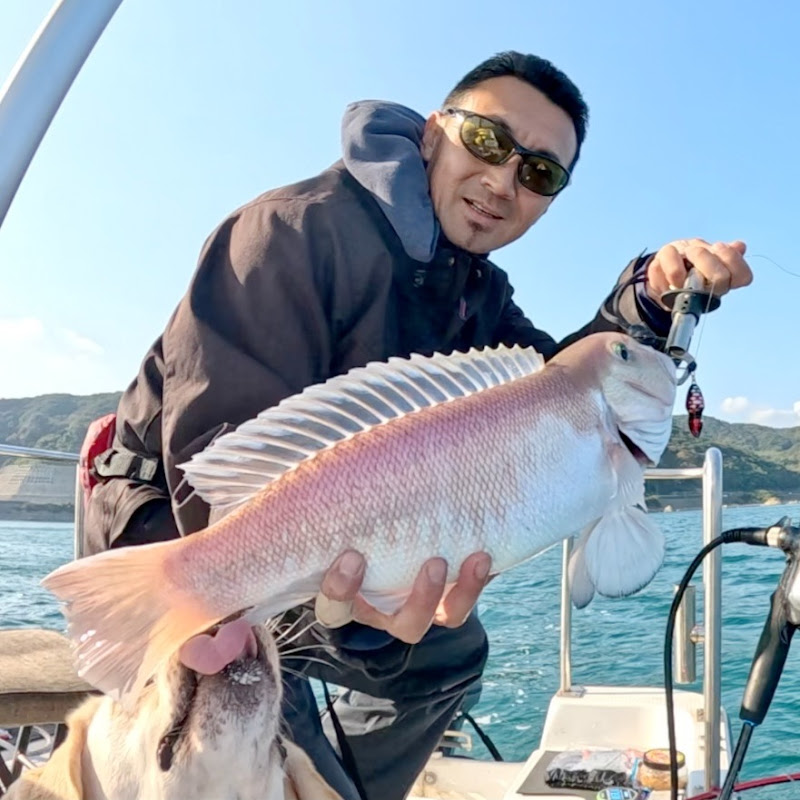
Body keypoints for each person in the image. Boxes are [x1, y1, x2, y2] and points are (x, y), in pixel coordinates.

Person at [83, 51, 752, 800]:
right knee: (251, 749)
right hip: (174, 536)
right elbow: (216, 458)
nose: (503, 182)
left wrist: (648, 297)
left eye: (539, 174)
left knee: (450, 653)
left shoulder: (477, 294)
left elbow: (557, 383)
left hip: (324, 553)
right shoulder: (289, 231)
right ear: (435, 132)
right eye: (490, 142)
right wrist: (328, 604)